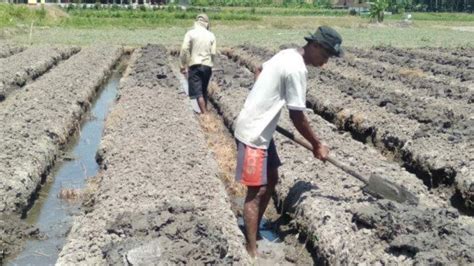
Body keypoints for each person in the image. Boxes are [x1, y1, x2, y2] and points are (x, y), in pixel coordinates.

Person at [233, 26, 343, 258]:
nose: (325, 63)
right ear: (314, 46)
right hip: (253, 133)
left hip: (262, 129)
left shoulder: (287, 54)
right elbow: (297, 116)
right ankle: (251, 251)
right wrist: (316, 144)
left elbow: (259, 69)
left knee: (272, 179)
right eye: (324, 56)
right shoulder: (296, 69)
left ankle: (258, 233)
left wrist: (263, 96)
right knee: (257, 191)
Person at [179, 13, 217, 115]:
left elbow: (184, 49)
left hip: (195, 65)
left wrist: (183, 65)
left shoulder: (190, 33)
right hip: (207, 66)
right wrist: (210, 64)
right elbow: (213, 53)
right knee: (203, 90)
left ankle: (205, 115)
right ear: (207, 23)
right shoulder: (211, 35)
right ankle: (206, 111)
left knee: (197, 92)